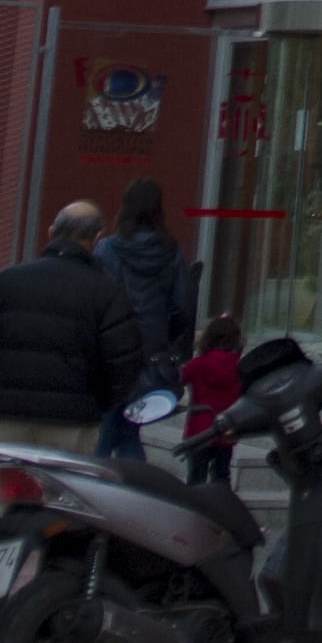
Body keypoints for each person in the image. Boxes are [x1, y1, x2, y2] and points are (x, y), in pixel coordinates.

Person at [0, 200, 143, 457]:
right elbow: (124, 362)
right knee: (64, 493)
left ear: (51, 231)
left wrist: (2, 384)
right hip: (73, 419)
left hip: (10, 413)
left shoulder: (3, 283)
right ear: (98, 238)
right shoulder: (107, 293)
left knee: (4, 488)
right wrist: (96, 402)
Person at [93, 177, 196, 463]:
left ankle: (95, 485)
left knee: (110, 425)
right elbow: (183, 305)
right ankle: (134, 489)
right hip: (151, 348)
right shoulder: (170, 251)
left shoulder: (108, 249)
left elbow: (98, 298)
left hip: (113, 345)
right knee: (129, 427)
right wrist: (170, 342)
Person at [177, 313, 245, 489]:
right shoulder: (239, 366)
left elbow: (179, 379)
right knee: (222, 475)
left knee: (196, 477)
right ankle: (222, 511)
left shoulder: (198, 363)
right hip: (227, 427)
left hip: (199, 429)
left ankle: (196, 512)